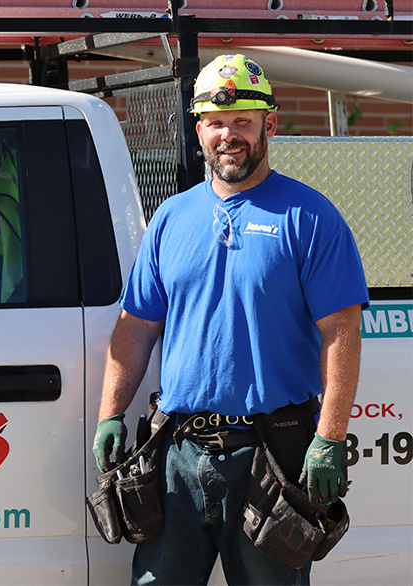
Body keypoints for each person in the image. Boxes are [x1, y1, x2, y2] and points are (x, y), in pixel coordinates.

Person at [93, 54, 368, 585]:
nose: (228, 135)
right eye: (216, 123)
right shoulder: (171, 219)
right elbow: (136, 326)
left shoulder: (311, 218)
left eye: (243, 121)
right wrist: (111, 413)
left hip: (271, 455)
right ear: (199, 130)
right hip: (175, 455)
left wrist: (329, 437)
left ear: (270, 123)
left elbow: (342, 333)